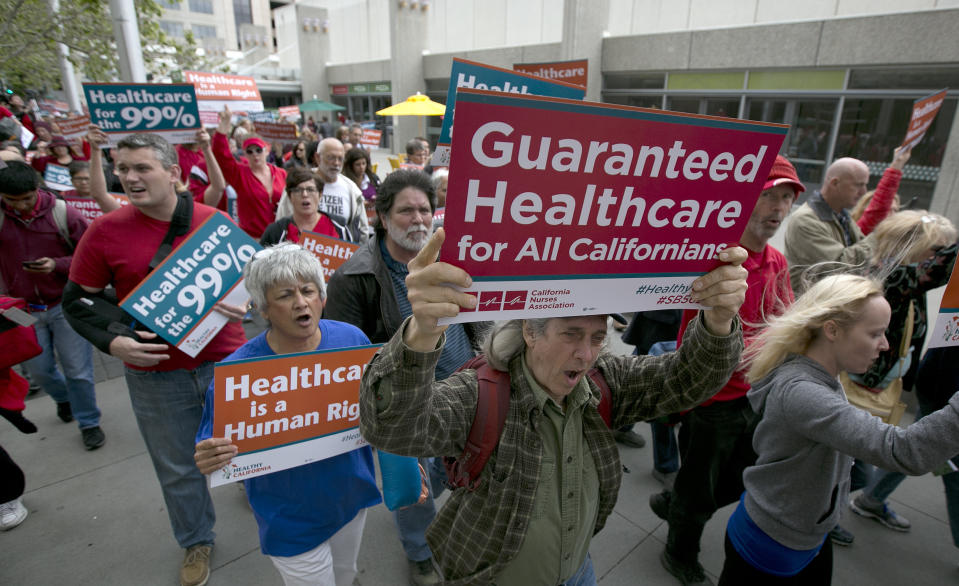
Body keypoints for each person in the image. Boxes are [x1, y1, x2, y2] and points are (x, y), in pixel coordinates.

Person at [358, 225, 750, 584]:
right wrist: (421, 332)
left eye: (597, 337)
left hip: (578, 572)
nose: (585, 354)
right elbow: (391, 428)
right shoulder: (481, 394)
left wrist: (717, 321)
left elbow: (687, 380)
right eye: (571, 334)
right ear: (529, 330)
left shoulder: (605, 382)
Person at [64, 132, 248, 586]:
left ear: (174, 175)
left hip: (228, 365)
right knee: (178, 469)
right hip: (156, 378)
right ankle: (196, 540)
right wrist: (113, 341)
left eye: (141, 168)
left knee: (252, 454)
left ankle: (282, 521)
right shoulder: (103, 232)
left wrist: (253, 298)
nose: (128, 177)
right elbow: (77, 301)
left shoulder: (214, 222)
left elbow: (257, 285)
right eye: (122, 169)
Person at [718, 273, 959, 585]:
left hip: (807, 536)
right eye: (875, 334)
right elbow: (904, 451)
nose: (885, 344)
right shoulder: (804, 393)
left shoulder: (820, 372)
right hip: (772, 546)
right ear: (832, 330)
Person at [325, 169, 489, 585]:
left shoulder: (451, 258)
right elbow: (348, 357)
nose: (419, 220)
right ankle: (419, 550)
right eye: (406, 211)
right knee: (413, 490)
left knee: (452, 473)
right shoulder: (352, 278)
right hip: (407, 406)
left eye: (425, 210)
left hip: (464, 389)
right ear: (381, 216)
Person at [650, 155, 800, 586]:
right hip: (711, 400)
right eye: (768, 194)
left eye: (786, 197)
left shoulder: (776, 261)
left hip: (753, 396)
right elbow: (704, 341)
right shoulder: (714, 261)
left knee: (735, 482)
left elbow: (783, 324)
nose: (777, 208)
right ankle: (679, 552)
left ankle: (674, 501)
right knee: (700, 491)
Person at [194, 244, 382, 586]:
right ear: (264, 309)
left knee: (346, 574)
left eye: (308, 291)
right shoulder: (237, 372)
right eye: (285, 295)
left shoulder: (352, 339)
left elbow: (378, 408)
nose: (301, 302)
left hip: (350, 499)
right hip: (289, 519)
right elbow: (211, 443)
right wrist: (210, 455)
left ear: (321, 297)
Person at [845, 211, 957, 530]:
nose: (940, 257)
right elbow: (938, 271)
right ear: (914, 247)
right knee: (855, 470)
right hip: (861, 387)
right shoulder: (892, 276)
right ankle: (823, 512)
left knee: (854, 466)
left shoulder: (905, 282)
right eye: (936, 249)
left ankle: (834, 507)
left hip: (882, 385)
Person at [0, 161, 103, 450]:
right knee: (40, 370)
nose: (20, 206)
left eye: (26, 199)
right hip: (22, 311)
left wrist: (56, 265)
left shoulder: (63, 213)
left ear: (37, 190)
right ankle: (63, 399)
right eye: (11, 200)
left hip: (64, 304)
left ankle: (89, 422)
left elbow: (91, 257)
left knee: (77, 370)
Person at [784, 157, 874, 295]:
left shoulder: (840, 214)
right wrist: (880, 236)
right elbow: (840, 265)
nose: (864, 191)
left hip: (828, 302)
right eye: (858, 185)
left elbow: (863, 250)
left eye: (865, 185)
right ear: (835, 183)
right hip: (809, 308)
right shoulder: (805, 220)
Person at [213, 106, 287, 238]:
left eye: (258, 150)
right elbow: (220, 154)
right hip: (253, 238)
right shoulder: (240, 174)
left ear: (267, 150)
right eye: (249, 151)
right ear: (245, 154)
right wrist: (224, 125)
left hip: (279, 237)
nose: (255, 155)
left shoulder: (281, 173)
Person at [300, 138, 369, 243]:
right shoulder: (299, 185)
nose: (336, 163)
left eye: (340, 159)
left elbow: (362, 231)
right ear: (317, 158)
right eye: (331, 158)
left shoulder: (352, 190)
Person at [260, 168, 347, 245]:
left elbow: (352, 261)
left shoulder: (339, 227)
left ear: (320, 194)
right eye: (298, 190)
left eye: (310, 190)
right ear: (290, 196)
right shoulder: (275, 231)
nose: (305, 194)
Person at [849, 146, 911, 235]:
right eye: (888, 210)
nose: (892, 215)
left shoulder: (894, 239)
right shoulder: (858, 233)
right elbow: (879, 208)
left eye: (895, 210)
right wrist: (897, 165)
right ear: (866, 211)